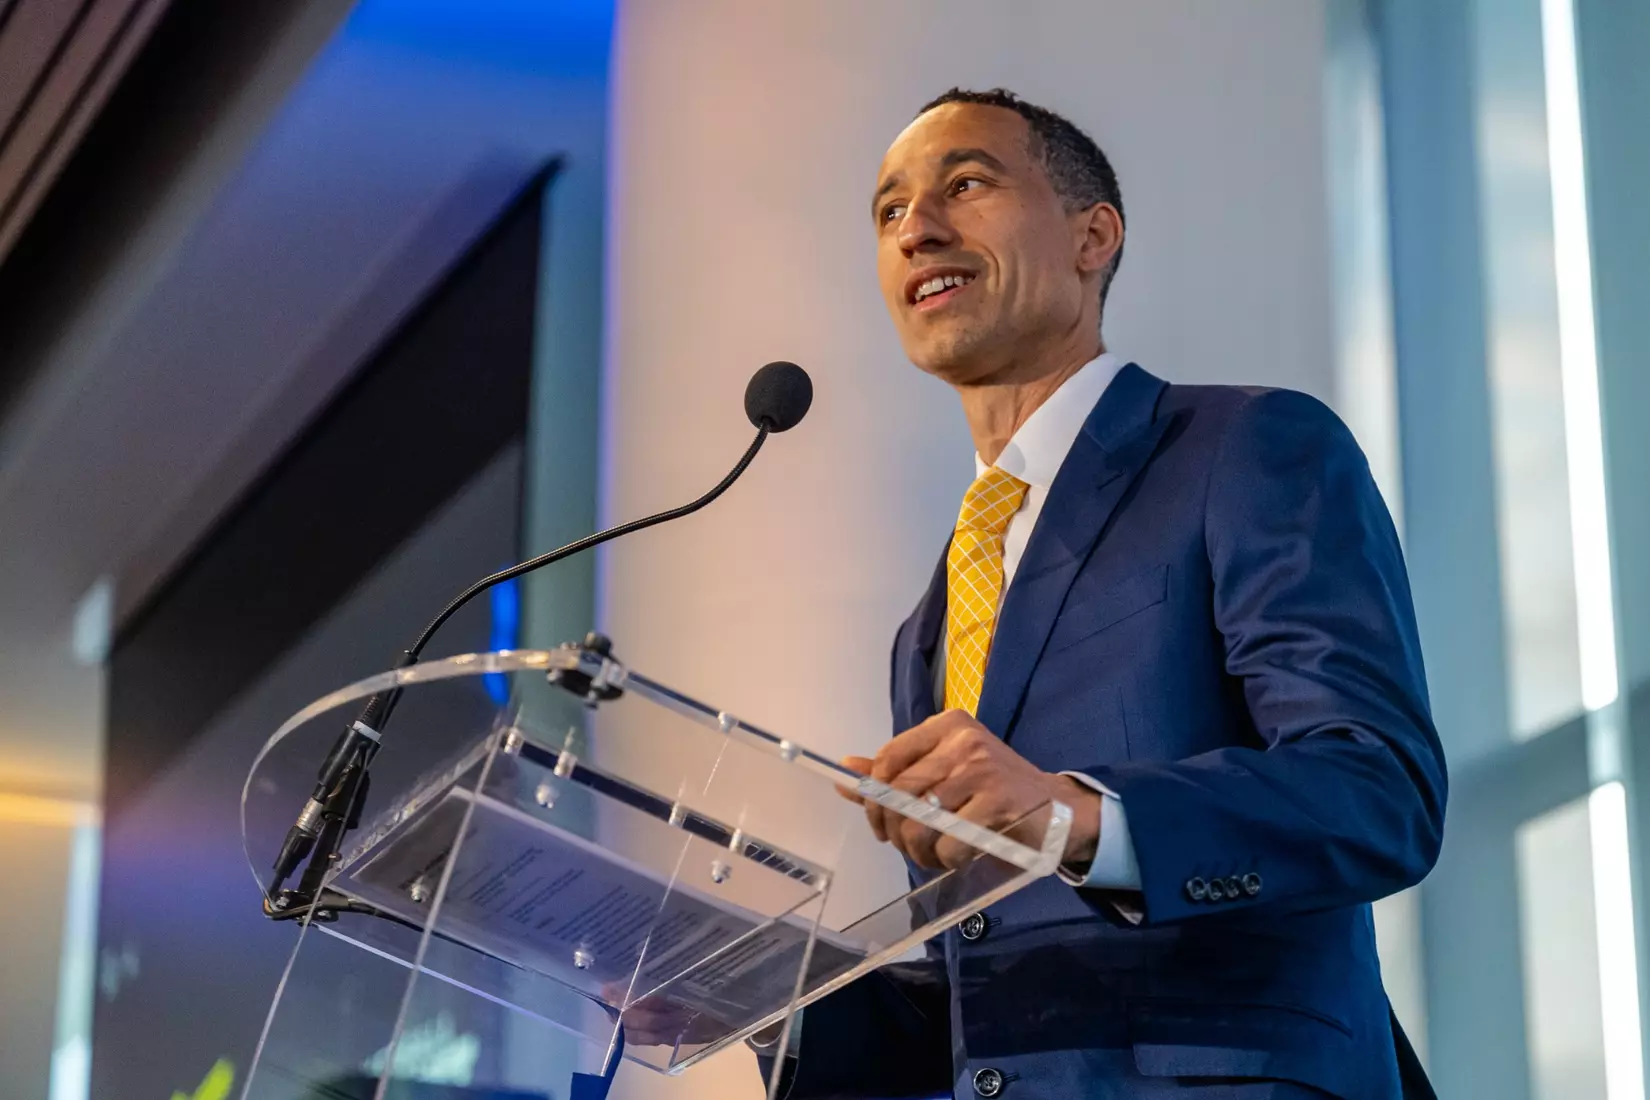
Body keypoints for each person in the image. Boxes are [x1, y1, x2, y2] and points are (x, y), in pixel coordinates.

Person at [760, 88, 1446, 1099]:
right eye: (888, 210)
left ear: (1094, 235)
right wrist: (759, 990)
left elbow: (1378, 791)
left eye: (966, 183)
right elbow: (981, 971)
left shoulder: (1246, 448)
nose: (917, 228)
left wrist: (1086, 816)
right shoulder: (929, 622)